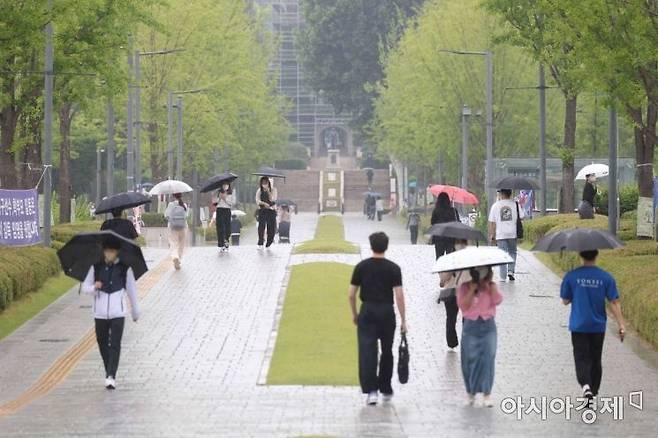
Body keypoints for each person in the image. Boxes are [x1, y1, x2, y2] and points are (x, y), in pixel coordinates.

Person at [348, 232, 407, 406]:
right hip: (386, 311)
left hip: (367, 310)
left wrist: (355, 314)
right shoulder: (393, 268)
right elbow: (399, 296)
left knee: (368, 351)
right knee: (387, 350)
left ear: (371, 245)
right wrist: (403, 319)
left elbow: (351, 294)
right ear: (386, 246)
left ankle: (371, 390)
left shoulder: (361, 267)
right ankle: (386, 387)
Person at [560, 250, 625, 402]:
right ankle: (594, 391)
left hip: (578, 325)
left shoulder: (572, 276)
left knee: (581, 357)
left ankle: (585, 386)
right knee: (595, 358)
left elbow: (565, 300)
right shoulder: (605, 277)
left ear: (581, 255)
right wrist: (621, 324)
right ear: (596, 255)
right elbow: (614, 302)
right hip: (598, 326)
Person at [82, 237, 139, 390]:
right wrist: (94, 286)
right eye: (107, 251)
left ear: (117, 252)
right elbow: (84, 287)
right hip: (99, 313)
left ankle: (111, 375)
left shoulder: (124, 268)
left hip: (118, 313)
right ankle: (109, 368)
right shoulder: (96, 267)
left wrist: (135, 311)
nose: (109, 254)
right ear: (103, 251)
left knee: (115, 343)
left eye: (113, 252)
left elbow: (131, 291)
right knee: (102, 343)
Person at [457, 265, 502, 407]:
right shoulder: (464, 287)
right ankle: (470, 393)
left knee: (488, 358)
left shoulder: (491, 286)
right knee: (470, 359)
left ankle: (487, 394)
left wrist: (489, 287)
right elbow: (463, 306)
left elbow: (498, 300)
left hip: (488, 326)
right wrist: (472, 289)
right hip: (471, 326)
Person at [438, 239, 470, 351]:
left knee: (450, 318)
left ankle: (451, 342)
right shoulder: (472, 259)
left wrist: (442, 280)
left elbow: (444, 277)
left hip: (450, 292)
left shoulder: (450, 259)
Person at [488, 189, 523, 282]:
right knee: (512, 252)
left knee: (502, 255)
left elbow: (492, 222)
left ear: (501, 194)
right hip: (512, 233)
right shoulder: (515, 204)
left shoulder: (495, 206)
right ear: (510, 194)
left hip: (501, 234)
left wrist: (492, 235)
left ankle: (502, 277)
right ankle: (511, 271)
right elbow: (522, 217)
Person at [431, 193, 460, 259]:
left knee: (439, 258)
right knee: (450, 258)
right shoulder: (453, 211)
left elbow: (432, 222)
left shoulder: (436, 211)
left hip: (439, 237)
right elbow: (457, 222)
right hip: (450, 237)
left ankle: (439, 269)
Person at [164, 193, 188, 270]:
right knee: (181, 244)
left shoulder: (171, 204)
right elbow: (186, 215)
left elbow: (166, 215)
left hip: (172, 227)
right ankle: (179, 258)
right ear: (181, 196)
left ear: (173, 196)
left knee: (173, 243)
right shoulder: (184, 205)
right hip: (183, 227)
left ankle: (175, 256)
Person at [255, 176, 277, 248]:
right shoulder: (259, 190)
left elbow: (273, 200)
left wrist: (268, 191)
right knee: (261, 227)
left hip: (271, 210)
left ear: (269, 183)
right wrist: (264, 204)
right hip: (262, 210)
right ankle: (260, 242)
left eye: (266, 183)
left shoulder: (274, 190)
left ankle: (269, 242)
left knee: (271, 227)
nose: (264, 184)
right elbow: (257, 200)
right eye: (263, 183)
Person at [215, 182, 233, 252]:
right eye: (224, 185)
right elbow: (214, 202)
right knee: (220, 227)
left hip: (227, 210)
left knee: (227, 228)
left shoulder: (231, 193)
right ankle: (221, 244)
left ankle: (226, 241)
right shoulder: (217, 192)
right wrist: (219, 198)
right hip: (219, 210)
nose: (225, 186)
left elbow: (232, 203)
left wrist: (225, 199)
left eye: (227, 184)